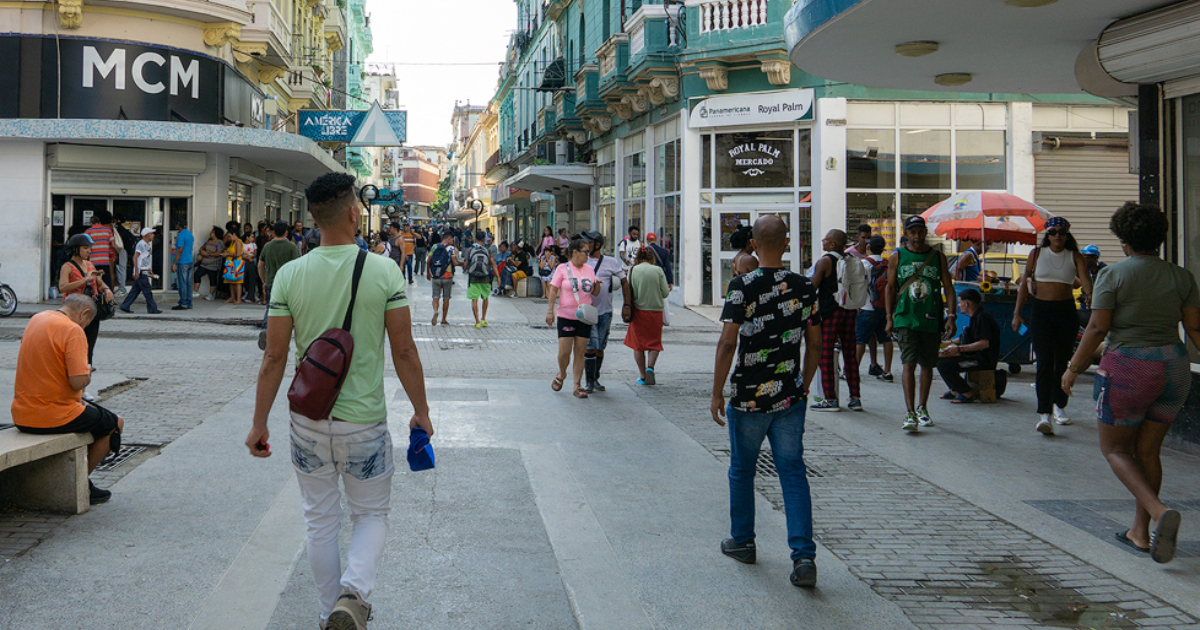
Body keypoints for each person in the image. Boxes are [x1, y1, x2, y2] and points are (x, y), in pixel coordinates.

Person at [246, 172, 432, 629]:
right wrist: (421, 412)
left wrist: (259, 423)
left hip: (308, 420)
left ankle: (331, 609)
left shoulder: (289, 275)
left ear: (313, 218)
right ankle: (354, 594)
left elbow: (273, 356)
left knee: (320, 520)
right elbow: (404, 349)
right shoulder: (384, 269)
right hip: (364, 421)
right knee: (371, 514)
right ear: (354, 212)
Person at [1061, 204, 1195, 565]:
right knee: (1148, 452)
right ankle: (1140, 532)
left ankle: (1157, 511)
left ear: (1123, 240)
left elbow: (1098, 327)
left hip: (1129, 368)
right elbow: (1195, 329)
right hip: (1175, 366)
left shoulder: (1113, 276)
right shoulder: (1181, 276)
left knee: (1116, 451)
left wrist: (1073, 368)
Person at [711, 214, 823, 589]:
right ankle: (803, 556)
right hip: (789, 396)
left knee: (742, 470)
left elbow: (728, 342)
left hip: (748, 398)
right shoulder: (805, 287)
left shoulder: (742, 285)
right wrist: (803, 385)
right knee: (793, 473)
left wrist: (716, 391)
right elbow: (816, 343)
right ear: (787, 243)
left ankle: (743, 541)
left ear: (754, 246)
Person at [12, 294, 124, 505]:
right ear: (84, 314)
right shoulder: (72, 330)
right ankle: (80, 484)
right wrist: (88, 371)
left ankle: (78, 480)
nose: (86, 327)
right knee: (115, 423)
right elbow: (78, 382)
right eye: (88, 322)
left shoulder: (38, 318)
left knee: (91, 413)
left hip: (22, 413)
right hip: (54, 416)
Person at [1012, 216, 1092, 434]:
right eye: (1054, 232)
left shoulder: (1075, 256)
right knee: (1045, 361)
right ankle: (1044, 413)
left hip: (1066, 312)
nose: (1058, 236)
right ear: (1047, 235)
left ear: (1067, 235)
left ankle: (1060, 405)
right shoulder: (1036, 254)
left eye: (1062, 232)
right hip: (1041, 312)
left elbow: (1086, 283)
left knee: (1062, 361)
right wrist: (1017, 313)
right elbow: (1023, 286)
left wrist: (1091, 296)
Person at [886, 215, 957, 432]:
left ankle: (922, 408)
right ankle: (909, 413)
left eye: (920, 232)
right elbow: (890, 287)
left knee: (928, 364)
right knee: (908, 364)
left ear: (925, 233)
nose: (916, 236)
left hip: (931, 318)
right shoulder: (897, 256)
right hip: (906, 317)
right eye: (912, 232)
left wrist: (952, 315)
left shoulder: (937, 256)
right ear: (906, 234)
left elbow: (948, 286)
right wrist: (889, 317)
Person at [809, 230, 863, 412]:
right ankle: (855, 398)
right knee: (850, 354)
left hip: (830, 312)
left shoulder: (825, 261)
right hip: (849, 310)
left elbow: (813, 286)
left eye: (826, 240)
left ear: (833, 244)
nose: (823, 241)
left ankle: (830, 398)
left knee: (825, 353)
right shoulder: (849, 259)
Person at [546, 239, 601, 398]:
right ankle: (562, 373)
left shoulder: (590, 269)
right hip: (566, 315)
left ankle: (577, 385)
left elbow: (595, 293)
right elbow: (553, 290)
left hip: (584, 317)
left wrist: (596, 284)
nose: (588, 256)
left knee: (580, 351)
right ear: (575, 252)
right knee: (564, 352)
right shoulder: (562, 269)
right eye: (585, 252)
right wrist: (550, 311)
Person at [582, 231, 629, 393]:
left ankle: (595, 378)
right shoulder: (582, 261)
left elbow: (624, 281)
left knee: (600, 346)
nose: (586, 244)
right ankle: (588, 381)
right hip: (587, 312)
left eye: (589, 241)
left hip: (605, 311)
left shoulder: (611, 262)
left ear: (597, 244)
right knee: (590, 346)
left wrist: (627, 305)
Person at [58, 233, 114, 369]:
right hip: (74, 312)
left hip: (90, 311)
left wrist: (107, 290)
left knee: (90, 341)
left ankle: (86, 367)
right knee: (75, 341)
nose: (89, 251)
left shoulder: (90, 265)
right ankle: (73, 367)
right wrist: (84, 280)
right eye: (85, 248)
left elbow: (99, 283)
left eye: (90, 248)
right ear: (75, 249)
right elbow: (62, 287)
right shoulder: (67, 266)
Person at [936, 288, 1001, 403]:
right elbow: (965, 338)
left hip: (982, 360)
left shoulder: (982, 318)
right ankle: (955, 390)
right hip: (974, 356)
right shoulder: (975, 317)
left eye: (960, 302)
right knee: (941, 359)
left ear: (967, 304)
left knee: (944, 365)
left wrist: (958, 349)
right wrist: (946, 343)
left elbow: (984, 343)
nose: (959, 305)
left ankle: (966, 392)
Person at [626, 247, 670, 385]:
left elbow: (628, 290)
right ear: (652, 258)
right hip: (655, 311)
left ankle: (642, 375)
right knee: (654, 342)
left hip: (639, 311)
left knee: (638, 345)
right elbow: (665, 293)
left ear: (637, 258)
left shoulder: (633, 270)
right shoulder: (658, 270)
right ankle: (650, 367)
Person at [257, 221, 301, 349]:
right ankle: (283, 336)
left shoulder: (267, 246)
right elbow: (298, 267)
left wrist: (264, 281)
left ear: (273, 232)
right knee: (287, 310)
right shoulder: (292, 247)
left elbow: (260, 265)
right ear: (287, 232)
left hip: (271, 282)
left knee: (271, 307)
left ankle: (267, 329)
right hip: (288, 283)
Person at [856, 235, 894, 383]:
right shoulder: (888, 263)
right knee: (886, 338)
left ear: (867, 248)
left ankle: (853, 371)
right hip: (885, 308)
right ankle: (887, 371)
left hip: (867, 306)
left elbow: (857, 285)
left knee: (860, 340)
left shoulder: (863, 264)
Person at [118, 228, 163, 314]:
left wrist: (149, 269)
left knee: (135, 291)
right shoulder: (141, 245)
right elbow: (135, 257)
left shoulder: (146, 245)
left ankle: (125, 305)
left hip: (143, 270)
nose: (153, 235)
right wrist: (136, 271)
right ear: (146, 235)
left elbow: (144, 258)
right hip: (141, 272)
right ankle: (152, 308)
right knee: (147, 291)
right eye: (151, 233)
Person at [426, 232, 459, 326]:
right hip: (447, 277)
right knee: (446, 298)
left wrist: (428, 273)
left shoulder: (434, 247)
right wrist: (463, 264)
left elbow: (428, 261)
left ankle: (435, 311)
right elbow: (455, 263)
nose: (452, 242)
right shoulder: (451, 249)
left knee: (435, 296)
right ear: (448, 238)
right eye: (452, 240)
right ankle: (443, 319)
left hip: (436, 276)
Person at [465, 230, 495, 329]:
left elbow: (465, 264)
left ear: (475, 239)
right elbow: (493, 263)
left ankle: (477, 321)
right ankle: (483, 319)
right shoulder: (487, 250)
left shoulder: (470, 249)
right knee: (485, 298)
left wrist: (466, 267)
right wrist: (498, 277)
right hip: (485, 277)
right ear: (484, 239)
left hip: (473, 278)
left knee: (474, 300)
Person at [85, 210, 117, 290]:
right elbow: (113, 245)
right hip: (105, 260)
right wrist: (105, 246)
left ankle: (96, 296)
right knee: (106, 280)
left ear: (91, 223)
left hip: (93, 261)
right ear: (99, 222)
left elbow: (85, 246)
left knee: (94, 279)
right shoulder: (107, 230)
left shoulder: (88, 231)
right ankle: (108, 298)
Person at [195, 227, 224, 301]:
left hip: (213, 264)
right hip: (204, 263)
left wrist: (208, 254)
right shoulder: (209, 241)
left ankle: (211, 294)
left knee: (212, 279)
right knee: (197, 274)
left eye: (212, 232)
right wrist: (201, 251)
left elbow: (219, 253)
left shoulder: (220, 242)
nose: (211, 233)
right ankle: (195, 291)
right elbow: (202, 248)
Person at [170, 219, 194, 310]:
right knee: (187, 282)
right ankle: (189, 302)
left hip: (182, 261)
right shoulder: (189, 234)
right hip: (189, 260)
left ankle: (183, 302)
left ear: (179, 226)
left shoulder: (181, 235)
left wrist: (174, 263)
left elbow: (180, 249)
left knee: (182, 283)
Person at [222, 227, 246, 304]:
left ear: (234, 234)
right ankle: (232, 297)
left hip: (236, 263)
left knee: (237, 282)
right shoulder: (232, 242)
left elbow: (238, 254)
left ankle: (238, 299)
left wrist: (228, 254)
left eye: (229, 236)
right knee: (231, 281)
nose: (228, 238)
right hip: (230, 263)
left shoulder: (238, 242)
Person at [242, 231, 259, 303]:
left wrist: (250, 257)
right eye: (252, 237)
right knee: (243, 279)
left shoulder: (253, 245)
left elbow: (255, 254)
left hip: (251, 261)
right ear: (247, 237)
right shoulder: (242, 245)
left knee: (252, 279)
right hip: (244, 262)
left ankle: (251, 296)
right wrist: (246, 257)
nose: (253, 238)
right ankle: (242, 294)